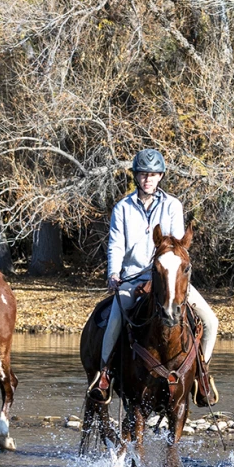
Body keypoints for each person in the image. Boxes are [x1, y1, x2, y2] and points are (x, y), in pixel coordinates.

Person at [89, 148, 219, 405]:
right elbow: (115, 245)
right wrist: (114, 274)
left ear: (160, 176)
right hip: (133, 278)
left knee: (211, 321)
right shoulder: (122, 208)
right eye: (143, 174)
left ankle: (200, 375)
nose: (148, 179)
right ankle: (104, 375)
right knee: (116, 318)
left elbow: (177, 246)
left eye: (153, 174)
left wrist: (160, 276)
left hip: (169, 277)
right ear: (136, 177)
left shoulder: (172, 205)